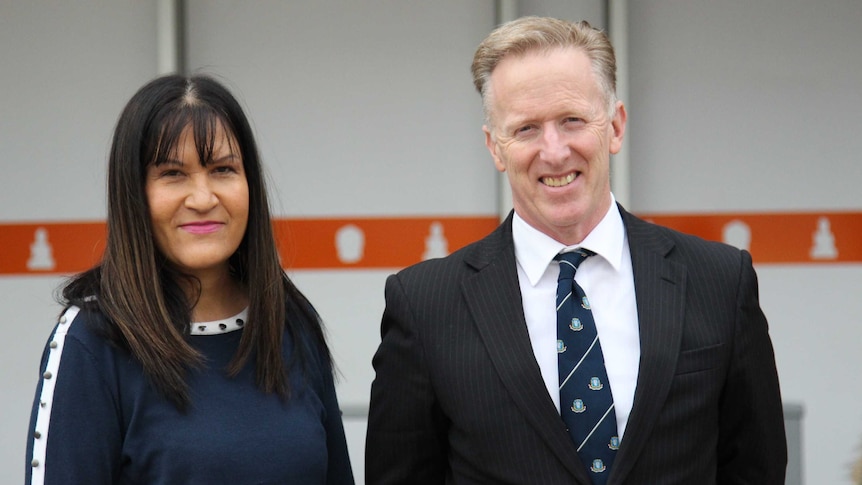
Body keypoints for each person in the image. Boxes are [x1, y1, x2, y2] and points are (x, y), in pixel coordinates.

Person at [366, 16, 786, 484]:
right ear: (495, 147)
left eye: (571, 120)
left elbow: (756, 468)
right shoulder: (425, 306)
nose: (554, 150)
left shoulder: (720, 281)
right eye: (526, 129)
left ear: (615, 126)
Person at [25, 74, 354, 484]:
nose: (202, 198)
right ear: (134, 193)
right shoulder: (93, 342)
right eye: (173, 174)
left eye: (222, 169)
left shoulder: (291, 325)